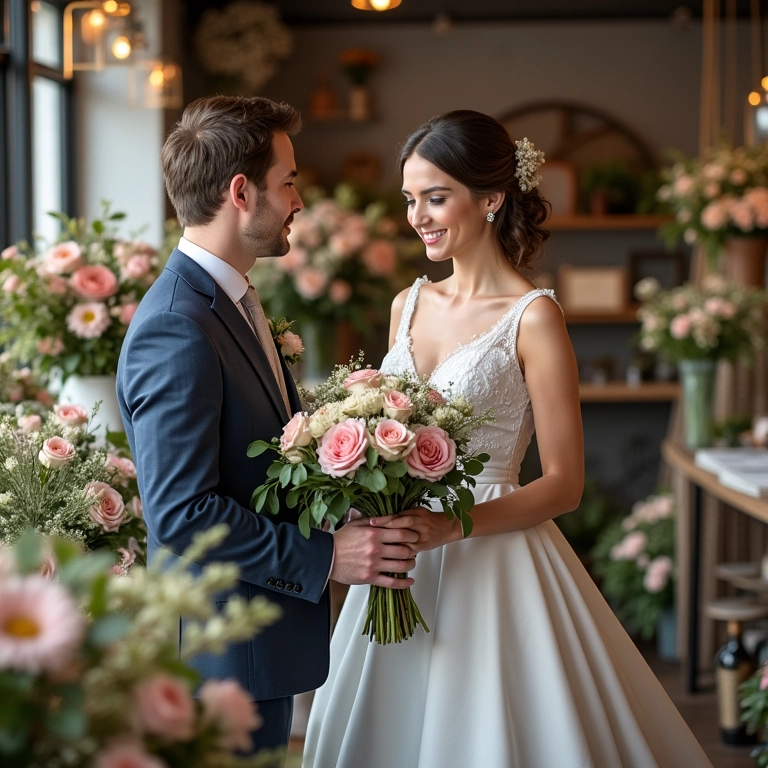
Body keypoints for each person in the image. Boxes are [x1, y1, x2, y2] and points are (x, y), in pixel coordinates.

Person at [302, 111, 712, 768]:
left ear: (491, 198)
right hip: (398, 558)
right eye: (410, 199)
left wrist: (450, 529)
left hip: (491, 556)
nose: (419, 216)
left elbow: (565, 483)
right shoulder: (406, 304)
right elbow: (388, 426)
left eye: (436, 197)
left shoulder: (535, 317)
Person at [116, 95, 418, 753]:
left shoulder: (231, 302)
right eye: (290, 181)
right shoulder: (177, 325)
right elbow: (183, 512)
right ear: (241, 192)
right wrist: (327, 556)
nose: (300, 200)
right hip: (220, 661)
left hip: (255, 653)